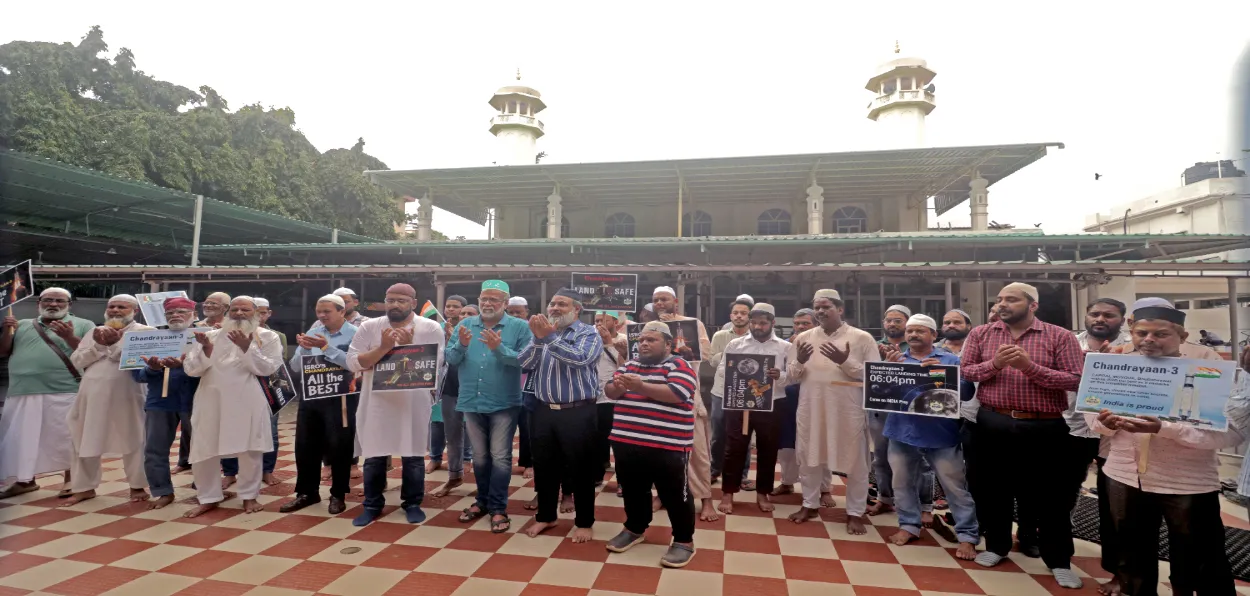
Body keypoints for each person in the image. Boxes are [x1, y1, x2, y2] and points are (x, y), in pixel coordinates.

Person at [1090, 305, 1241, 596]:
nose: (1149, 339)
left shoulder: (1207, 373)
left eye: (1161, 333)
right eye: (1141, 333)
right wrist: (1106, 423)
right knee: (1132, 559)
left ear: (1181, 335)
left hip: (1187, 483)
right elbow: (1094, 420)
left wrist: (1165, 428)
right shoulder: (1112, 367)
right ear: (1131, 333)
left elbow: (1230, 434)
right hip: (1123, 476)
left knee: (1200, 560)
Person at [959, 283, 1084, 588]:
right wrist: (996, 364)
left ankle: (1058, 560)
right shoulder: (981, 334)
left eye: (1011, 300)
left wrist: (1030, 368)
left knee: (1051, 497)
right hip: (992, 422)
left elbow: (1076, 379)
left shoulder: (1060, 336)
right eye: (999, 299)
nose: (1002, 304)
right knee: (992, 490)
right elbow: (966, 371)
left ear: (1032, 305)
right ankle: (996, 547)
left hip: (1044, 426)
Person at [346, 283, 444, 526]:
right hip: (376, 402)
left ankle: (412, 503)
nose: (395, 305)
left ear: (413, 301)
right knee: (374, 454)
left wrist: (407, 348)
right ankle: (372, 504)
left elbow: (433, 367)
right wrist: (384, 348)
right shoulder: (370, 327)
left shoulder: (429, 327)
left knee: (412, 455)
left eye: (401, 300)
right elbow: (353, 362)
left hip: (413, 402)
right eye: (391, 300)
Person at [604, 321, 699, 568]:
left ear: (668, 344)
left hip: (668, 444)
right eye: (641, 340)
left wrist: (640, 386)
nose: (644, 344)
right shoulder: (631, 365)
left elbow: (677, 394)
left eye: (651, 340)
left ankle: (683, 541)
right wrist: (617, 385)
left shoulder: (679, 365)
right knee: (634, 490)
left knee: (675, 494)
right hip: (627, 440)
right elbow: (610, 392)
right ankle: (635, 528)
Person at [881, 314, 978, 558]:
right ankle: (909, 525)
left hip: (941, 433)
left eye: (920, 331)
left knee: (954, 486)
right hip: (902, 431)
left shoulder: (950, 360)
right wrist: (888, 369)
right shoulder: (896, 359)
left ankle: (967, 535)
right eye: (910, 331)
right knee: (902, 483)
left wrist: (938, 373)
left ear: (934, 335)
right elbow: (880, 394)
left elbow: (965, 393)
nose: (913, 335)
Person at [182, 296, 285, 518]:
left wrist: (247, 347)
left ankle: (249, 496)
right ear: (228, 312)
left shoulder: (268, 337)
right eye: (235, 309)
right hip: (211, 400)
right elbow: (191, 369)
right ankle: (208, 497)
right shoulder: (208, 336)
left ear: (256, 313)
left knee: (250, 449)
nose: (239, 313)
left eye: (245, 310)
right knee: (203, 449)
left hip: (247, 400)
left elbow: (268, 369)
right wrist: (207, 350)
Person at [786, 289, 879, 534]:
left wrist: (844, 361)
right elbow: (791, 377)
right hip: (812, 408)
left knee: (857, 462)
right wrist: (800, 361)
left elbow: (875, 377)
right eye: (817, 307)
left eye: (826, 306)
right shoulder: (803, 338)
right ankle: (809, 504)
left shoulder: (861, 338)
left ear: (840, 309)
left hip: (847, 410)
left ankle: (855, 513)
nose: (820, 311)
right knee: (809, 456)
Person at [446, 280, 532, 533]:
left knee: (501, 457)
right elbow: (450, 359)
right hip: (471, 401)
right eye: (484, 298)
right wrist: (461, 344)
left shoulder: (519, 327)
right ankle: (481, 502)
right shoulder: (465, 325)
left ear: (505, 303)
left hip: (504, 403)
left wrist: (499, 349)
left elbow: (524, 361)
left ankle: (498, 507)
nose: (487, 303)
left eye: (494, 299)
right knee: (480, 458)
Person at [519, 288, 603, 542]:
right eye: (552, 304)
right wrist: (537, 340)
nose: (554, 308)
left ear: (576, 309)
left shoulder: (589, 333)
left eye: (561, 304)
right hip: (543, 411)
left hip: (578, 412)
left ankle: (585, 521)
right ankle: (546, 516)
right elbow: (524, 363)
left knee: (581, 469)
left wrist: (549, 338)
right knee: (544, 467)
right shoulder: (540, 336)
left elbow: (581, 359)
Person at [0, 287, 94, 499]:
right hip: (22, 390)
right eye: (48, 300)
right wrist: (7, 331)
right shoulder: (21, 324)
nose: (53, 304)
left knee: (66, 436)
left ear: (69, 305)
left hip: (65, 389)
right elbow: (3, 351)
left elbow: (91, 354)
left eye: (60, 301)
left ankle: (72, 480)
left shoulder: (83, 324)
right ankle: (25, 481)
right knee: (22, 438)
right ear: (38, 304)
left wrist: (69, 336)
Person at [61, 295, 151, 507]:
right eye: (112, 306)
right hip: (90, 395)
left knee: (136, 437)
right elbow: (77, 360)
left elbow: (138, 362)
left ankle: (137, 485)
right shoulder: (95, 332)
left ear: (134, 311)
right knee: (83, 437)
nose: (115, 310)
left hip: (129, 394)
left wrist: (112, 345)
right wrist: (99, 346)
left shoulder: (146, 332)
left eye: (122, 307)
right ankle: (84, 488)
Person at [280, 294, 359, 515]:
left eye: (327, 311)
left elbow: (354, 364)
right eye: (319, 311)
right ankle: (307, 492)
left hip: (342, 398)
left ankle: (338, 494)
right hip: (311, 396)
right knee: (305, 445)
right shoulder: (313, 333)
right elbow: (296, 367)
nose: (322, 316)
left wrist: (326, 348)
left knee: (340, 446)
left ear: (342, 311)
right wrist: (305, 348)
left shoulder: (356, 334)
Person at [651, 285, 718, 522]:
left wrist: (672, 331)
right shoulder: (649, 327)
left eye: (664, 299)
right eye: (656, 300)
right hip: (658, 397)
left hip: (689, 396)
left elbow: (705, 354)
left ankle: (706, 499)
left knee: (698, 451)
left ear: (675, 301)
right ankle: (661, 495)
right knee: (661, 451)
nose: (660, 303)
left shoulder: (692, 323)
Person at [715, 303, 789, 514]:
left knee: (768, 448)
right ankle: (728, 493)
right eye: (754, 322)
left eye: (763, 323)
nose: (757, 326)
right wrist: (736, 373)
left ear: (772, 323)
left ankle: (762, 492)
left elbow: (793, 376)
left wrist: (780, 376)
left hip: (772, 404)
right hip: (740, 402)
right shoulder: (736, 345)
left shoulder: (784, 347)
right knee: (734, 447)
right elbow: (721, 370)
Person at [868, 305, 934, 519]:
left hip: (914, 412)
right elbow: (870, 378)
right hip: (881, 410)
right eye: (889, 320)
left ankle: (925, 506)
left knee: (921, 460)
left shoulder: (919, 347)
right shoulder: (873, 346)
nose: (892, 324)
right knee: (880, 457)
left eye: (898, 320)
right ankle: (885, 499)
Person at [135, 297, 199, 509]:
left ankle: (205, 487)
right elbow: (138, 375)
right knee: (154, 449)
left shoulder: (203, 337)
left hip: (195, 400)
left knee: (202, 447)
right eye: (170, 313)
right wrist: (153, 368)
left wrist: (186, 364)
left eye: (181, 311)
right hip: (159, 402)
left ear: (193, 315)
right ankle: (163, 491)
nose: (175, 316)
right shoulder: (151, 338)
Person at [774, 308, 832, 501]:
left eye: (805, 323)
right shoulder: (785, 345)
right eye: (797, 323)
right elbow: (781, 373)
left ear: (816, 324)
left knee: (819, 444)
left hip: (817, 399)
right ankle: (787, 482)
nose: (800, 327)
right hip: (788, 398)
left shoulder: (826, 344)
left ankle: (824, 490)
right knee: (786, 444)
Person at [708, 297, 754, 488]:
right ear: (730, 316)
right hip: (720, 390)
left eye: (743, 313)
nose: (739, 316)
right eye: (736, 313)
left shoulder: (756, 336)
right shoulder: (720, 336)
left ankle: (742, 474)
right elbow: (712, 361)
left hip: (746, 392)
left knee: (744, 433)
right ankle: (715, 469)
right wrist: (730, 353)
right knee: (718, 433)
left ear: (750, 316)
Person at [429, 295, 471, 486]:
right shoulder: (439, 330)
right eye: (451, 307)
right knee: (445, 429)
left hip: (472, 390)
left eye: (468, 313)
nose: (460, 314)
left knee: (470, 429)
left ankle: (468, 461)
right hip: (448, 387)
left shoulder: (480, 334)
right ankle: (446, 467)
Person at [593, 311, 629, 477]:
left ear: (615, 322)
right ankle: (598, 472)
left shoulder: (623, 340)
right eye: (596, 321)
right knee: (599, 437)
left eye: (603, 320)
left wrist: (609, 344)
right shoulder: (590, 339)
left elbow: (626, 366)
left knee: (619, 439)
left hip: (616, 394)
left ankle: (623, 480)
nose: (599, 324)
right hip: (595, 394)